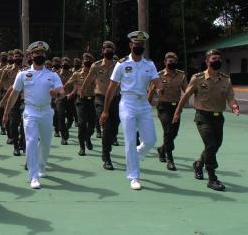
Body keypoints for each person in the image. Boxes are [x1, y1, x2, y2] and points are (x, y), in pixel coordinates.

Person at [100, 31, 160, 190]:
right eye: (136, 44)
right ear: (130, 45)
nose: (138, 46)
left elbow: (157, 82)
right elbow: (112, 88)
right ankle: (134, 176)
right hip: (127, 103)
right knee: (130, 139)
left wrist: (161, 90)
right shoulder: (121, 64)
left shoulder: (150, 64)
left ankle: (137, 154)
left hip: (144, 104)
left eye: (141, 44)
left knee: (150, 140)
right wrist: (105, 110)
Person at [173, 49, 239, 191]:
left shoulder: (226, 79)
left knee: (215, 145)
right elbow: (185, 96)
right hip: (203, 117)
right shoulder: (198, 78)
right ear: (207, 61)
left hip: (218, 118)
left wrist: (234, 106)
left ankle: (198, 164)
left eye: (219, 59)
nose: (217, 61)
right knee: (211, 145)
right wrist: (177, 112)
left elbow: (230, 97)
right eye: (214, 58)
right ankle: (212, 178)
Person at [3, 41, 64, 190]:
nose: (40, 56)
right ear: (31, 56)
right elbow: (14, 94)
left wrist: (56, 94)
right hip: (30, 111)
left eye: (42, 53)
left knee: (46, 142)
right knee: (30, 141)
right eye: (37, 53)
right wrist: (6, 112)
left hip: (46, 111)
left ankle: (41, 166)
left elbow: (62, 92)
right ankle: (33, 176)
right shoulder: (23, 74)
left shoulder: (52, 75)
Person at [80, 41, 121, 170]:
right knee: (106, 127)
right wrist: (82, 91)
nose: (108, 50)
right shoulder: (96, 66)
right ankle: (106, 157)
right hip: (100, 99)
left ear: (114, 51)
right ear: (102, 51)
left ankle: (108, 144)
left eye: (111, 48)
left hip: (116, 99)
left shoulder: (119, 65)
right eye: (106, 49)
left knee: (114, 127)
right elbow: (88, 79)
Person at [148, 52, 187, 171]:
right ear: (165, 62)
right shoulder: (158, 75)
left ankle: (162, 149)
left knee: (174, 133)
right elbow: (151, 91)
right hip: (163, 107)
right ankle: (170, 159)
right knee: (168, 130)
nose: (172, 64)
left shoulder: (182, 75)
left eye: (174, 62)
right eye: (170, 62)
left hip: (176, 107)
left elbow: (186, 91)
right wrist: (147, 104)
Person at [66, 53, 96, 156]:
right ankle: (82, 147)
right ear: (83, 61)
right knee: (81, 123)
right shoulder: (77, 74)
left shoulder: (95, 73)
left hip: (93, 100)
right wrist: (60, 92)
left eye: (89, 59)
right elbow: (68, 84)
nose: (87, 60)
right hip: (80, 101)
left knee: (92, 125)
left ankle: (87, 137)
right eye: (85, 59)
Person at [55, 56, 75, 145]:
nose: (65, 67)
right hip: (60, 98)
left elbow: (76, 85)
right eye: (63, 65)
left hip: (70, 98)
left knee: (71, 118)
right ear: (61, 65)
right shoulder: (56, 74)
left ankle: (66, 129)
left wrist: (72, 93)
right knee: (61, 116)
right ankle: (64, 137)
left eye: (67, 65)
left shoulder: (73, 74)